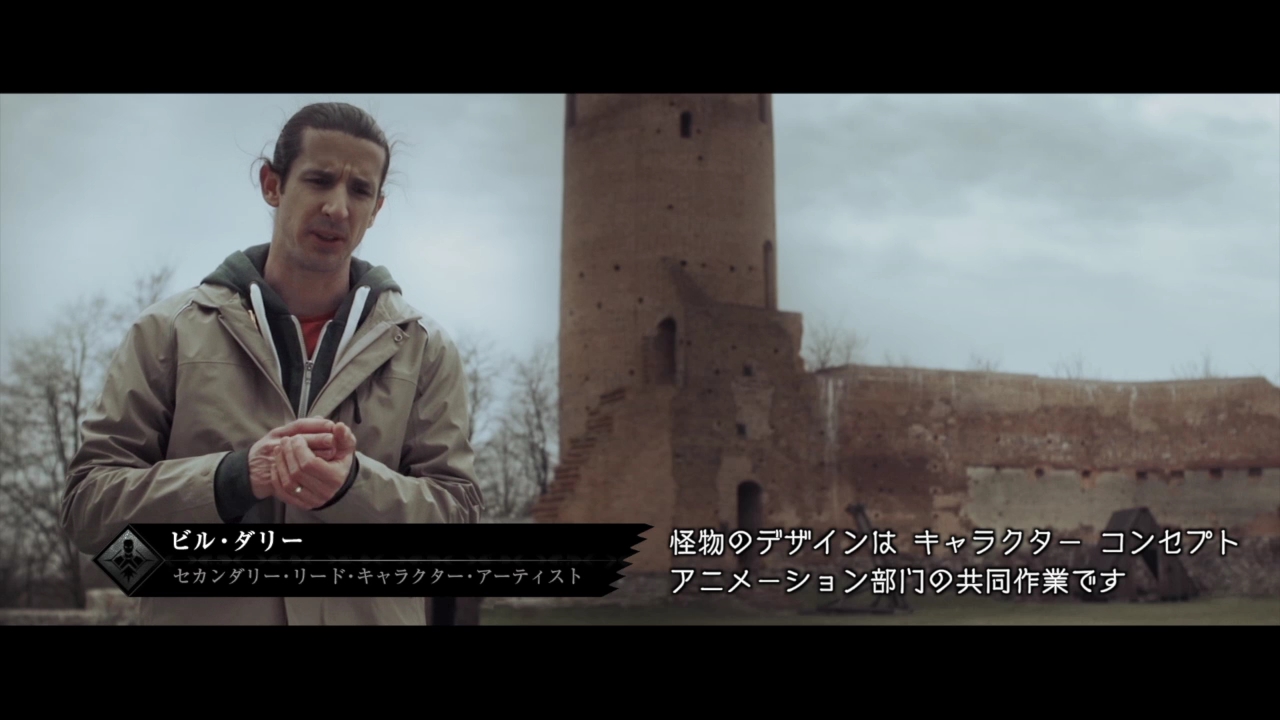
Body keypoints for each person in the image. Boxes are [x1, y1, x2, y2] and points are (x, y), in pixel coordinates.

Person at [60, 102, 484, 625]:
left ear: (376, 208)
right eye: (319, 180)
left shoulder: (424, 349)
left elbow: (459, 519)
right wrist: (233, 479)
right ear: (272, 185)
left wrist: (355, 486)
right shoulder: (167, 332)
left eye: (359, 191)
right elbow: (88, 509)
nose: (337, 208)